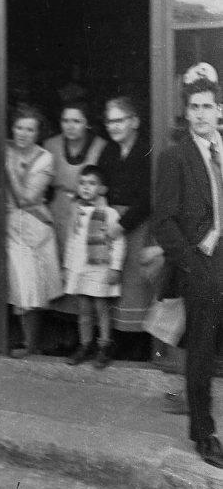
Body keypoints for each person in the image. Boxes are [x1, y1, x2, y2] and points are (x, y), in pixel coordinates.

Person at [152, 63, 223, 468]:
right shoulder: (175, 158)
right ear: (186, 111)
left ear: (219, 110)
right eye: (193, 107)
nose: (200, 114)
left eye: (207, 106)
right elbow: (164, 222)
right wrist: (194, 266)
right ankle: (203, 432)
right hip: (202, 265)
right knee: (201, 350)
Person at [5, 104, 62, 357]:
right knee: (16, 285)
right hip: (6, 225)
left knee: (29, 286)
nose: (23, 133)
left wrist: (7, 167)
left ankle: (29, 345)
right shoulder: (4, 147)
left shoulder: (45, 158)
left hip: (32, 225)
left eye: (30, 129)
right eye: (19, 127)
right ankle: (18, 339)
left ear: (38, 133)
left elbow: (26, 199)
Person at [97, 96, 152, 340]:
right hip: (111, 222)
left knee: (135, 283)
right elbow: (100, 185)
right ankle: (116, 340)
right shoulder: (108, 151)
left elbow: (148, 198)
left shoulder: (146, 149)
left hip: (137, 223)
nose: (114, 127)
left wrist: (122, 224)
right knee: (112, 282)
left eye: (119, 121)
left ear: (134, 122)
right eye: (110, 122)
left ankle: (139, 342)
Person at [63, 164, 126, 368]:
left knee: (101, 308)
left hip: (100, 269)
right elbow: (71, 241)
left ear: (102, 189)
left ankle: (104, 345)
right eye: (82, 183)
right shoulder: (77, 212)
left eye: (92, 183)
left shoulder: (109, 214)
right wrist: (67, 266)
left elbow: (118, 242)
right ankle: (85, 344)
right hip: (80, 268)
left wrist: (115, 267)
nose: (86, 187)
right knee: (83, 309)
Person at [44, 101, 106, 262]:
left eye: (76, 121)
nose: (70, 126)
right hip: (58, 208)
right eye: (65, 121)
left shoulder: (101, 146)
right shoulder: (50, 145)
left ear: (87, 123)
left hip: (90, 209)